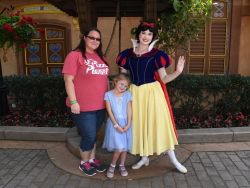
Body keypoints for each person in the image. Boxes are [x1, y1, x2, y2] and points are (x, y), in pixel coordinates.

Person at [116, 22, 187, 173]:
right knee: (139, 125)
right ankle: (144, 157)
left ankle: (174, 161)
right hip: (134, 93)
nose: (146, 36)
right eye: (143, 33)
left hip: (153, 93)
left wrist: (178, 71)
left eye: (149, 34)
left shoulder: (157, 55)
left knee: (158, 124)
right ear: (138, 35)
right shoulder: (126, 55)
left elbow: (165, 78)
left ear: (152, 37)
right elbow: (123, 78)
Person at [62, 27, 110, 176]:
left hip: (100, 106)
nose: (95, 41)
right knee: (89, 136)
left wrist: (109, 100)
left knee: (93, 134)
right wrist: (73, 101)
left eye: (98, 39)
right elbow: (68, 79)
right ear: (84, 38)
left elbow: (106, 80)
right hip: (82, 106)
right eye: (92, 37)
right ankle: (84, 163)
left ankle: (92, 159)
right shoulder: (74, 56)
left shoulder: (101, 57)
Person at [102, 73, 133, 178]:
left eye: (126, 86)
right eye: (121, 84)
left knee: (124, 147)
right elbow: (109, 111)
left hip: (125, 123)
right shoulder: (108, 95)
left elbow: (129, 109)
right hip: (114, 124)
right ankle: (112, 165)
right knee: (119, 148)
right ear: (115, 81)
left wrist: (128, 124)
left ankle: (122, 165)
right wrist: (116, 125)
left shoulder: (128, 94)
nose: (123, 87)